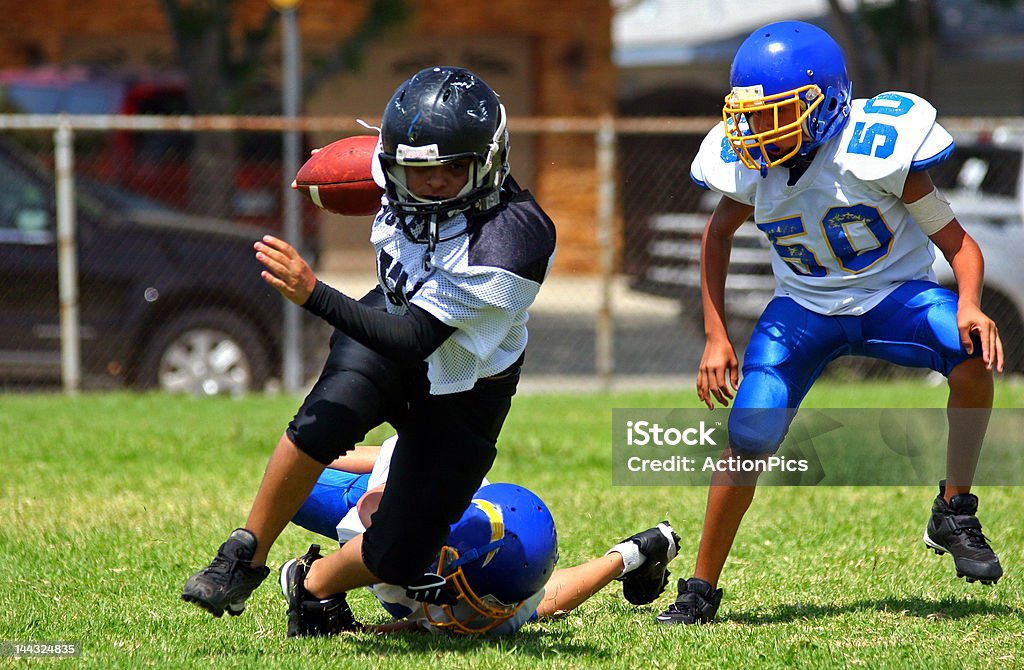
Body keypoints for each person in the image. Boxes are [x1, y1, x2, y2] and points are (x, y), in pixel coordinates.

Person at [656, 21, 1005, 626]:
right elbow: (716, 237)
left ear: (826, 103)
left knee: (971, 358)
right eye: (750, 115)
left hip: (894, 296)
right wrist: (717, 334)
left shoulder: (877, 152)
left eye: (775, 114)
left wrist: (970, 302)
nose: (756, 130)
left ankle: (954, 507)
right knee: (751, 433)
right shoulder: (751, 168)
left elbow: (962, 246)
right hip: (804, 310)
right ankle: (700, 590)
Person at [181, 66, 557, 620]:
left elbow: (417, 340)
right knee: (324, 418)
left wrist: (315, 295)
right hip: (391, 318)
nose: (432, 183)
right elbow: (367, 174)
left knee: (402, 554)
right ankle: (243, 555)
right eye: (415, 169)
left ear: (490, 161)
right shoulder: (393, 170)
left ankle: (311, 583)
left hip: (465, 377)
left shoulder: (512, 238)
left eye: (453, 169)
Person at [279, 435, 682, 636]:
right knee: (293, 486)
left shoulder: (509, 584)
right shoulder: (410, 514)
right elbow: (392, 456)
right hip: (384, 491)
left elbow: (548, 598)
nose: (485, 614)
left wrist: (627, 556)